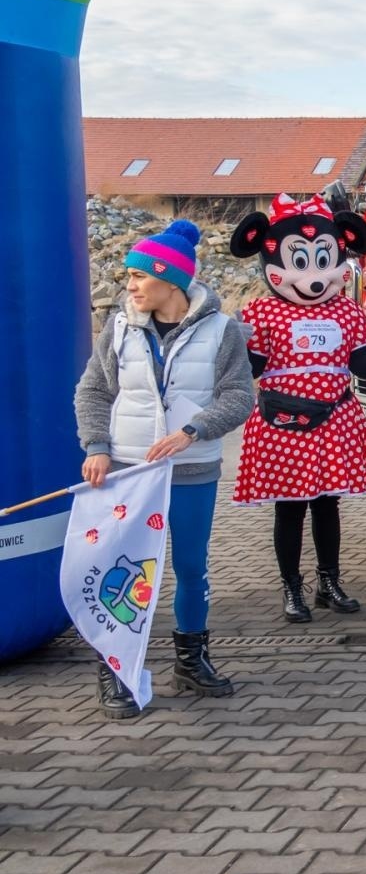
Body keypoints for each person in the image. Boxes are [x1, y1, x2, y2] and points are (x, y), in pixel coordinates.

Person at [74, 219, 255, 718]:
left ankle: (190, 661)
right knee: (122, 572)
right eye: (128, 276)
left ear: (170, 281)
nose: (128, 285)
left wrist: (193, 431)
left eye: (138, 276)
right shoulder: (118, 327)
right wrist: (96, 446)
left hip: (193, 469)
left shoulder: (222, 331)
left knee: (190, 570)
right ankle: (115, 670)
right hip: (128, 474)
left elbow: (240, 396)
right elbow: (93, 391)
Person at [230, 194, 366, 622]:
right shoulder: (261, 312)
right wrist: (235, 344)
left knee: (328, 504)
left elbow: (358, 362)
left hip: (335, 419)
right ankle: (292, 588)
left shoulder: (346, 311)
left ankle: (329, 581)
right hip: (282, 422)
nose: (311, 276)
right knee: (289, 507)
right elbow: (253, 367)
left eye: (321, 260)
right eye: (299, 262)